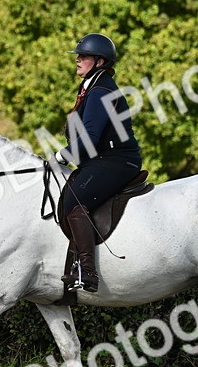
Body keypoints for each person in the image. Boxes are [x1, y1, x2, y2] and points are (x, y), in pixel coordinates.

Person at [53, 33, 142, 292]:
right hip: (102, 159)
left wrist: (61, 156)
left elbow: (89, 138)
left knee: (74, 200)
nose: (78, 60)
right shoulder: (93, 86)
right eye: (78, 56)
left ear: (100, 61)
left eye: (83, 56)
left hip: (116, 161)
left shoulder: (101, 90)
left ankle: (87, 272)